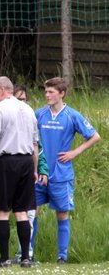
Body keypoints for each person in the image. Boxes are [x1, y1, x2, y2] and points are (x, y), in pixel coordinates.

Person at [0, 85, 49, 266]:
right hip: (25, 162)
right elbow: (35, 145)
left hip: (4, 162)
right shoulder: (28, 109)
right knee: (22, 211)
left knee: (1, 211)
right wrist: (34, 169)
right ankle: (25, 257)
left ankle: (4, 258)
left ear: (2, 89)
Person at [34, 77, 101, 265]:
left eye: (51, 92)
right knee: (32, 212)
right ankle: (26, 253)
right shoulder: (38, 114)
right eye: (45, 91)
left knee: (62, 213)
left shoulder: (72, 115)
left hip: (61, 174)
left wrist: (75, 152)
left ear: (62, 94)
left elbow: (95, 136)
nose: (47, 95)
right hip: (39, 174)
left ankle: (62, 257)